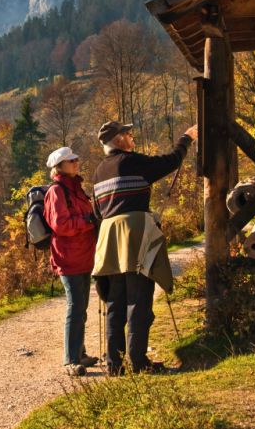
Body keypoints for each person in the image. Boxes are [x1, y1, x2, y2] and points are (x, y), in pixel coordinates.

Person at [92, 120, 198, 375]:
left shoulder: (98, 171)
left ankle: (114, 364)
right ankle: (139, 363)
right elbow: (170, 161)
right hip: (135, 234)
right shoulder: (131, 161)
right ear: (119, 140)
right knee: (139, 299)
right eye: (129, 134)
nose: (132, 138)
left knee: (115, 303)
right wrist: (186, 138)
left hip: (109, 238)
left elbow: (96, 212)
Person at [43, 146, 99, 377]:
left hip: (84, 256)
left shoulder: (76, 189)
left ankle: (80, 353)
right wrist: (89, 221)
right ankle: (71, 360)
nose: (76, 162)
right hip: (68, 258)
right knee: (75, 308)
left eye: (76, 158)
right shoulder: (57, 191)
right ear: (59, 167)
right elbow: (62, 225)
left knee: (81, 308)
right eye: (71, 160)